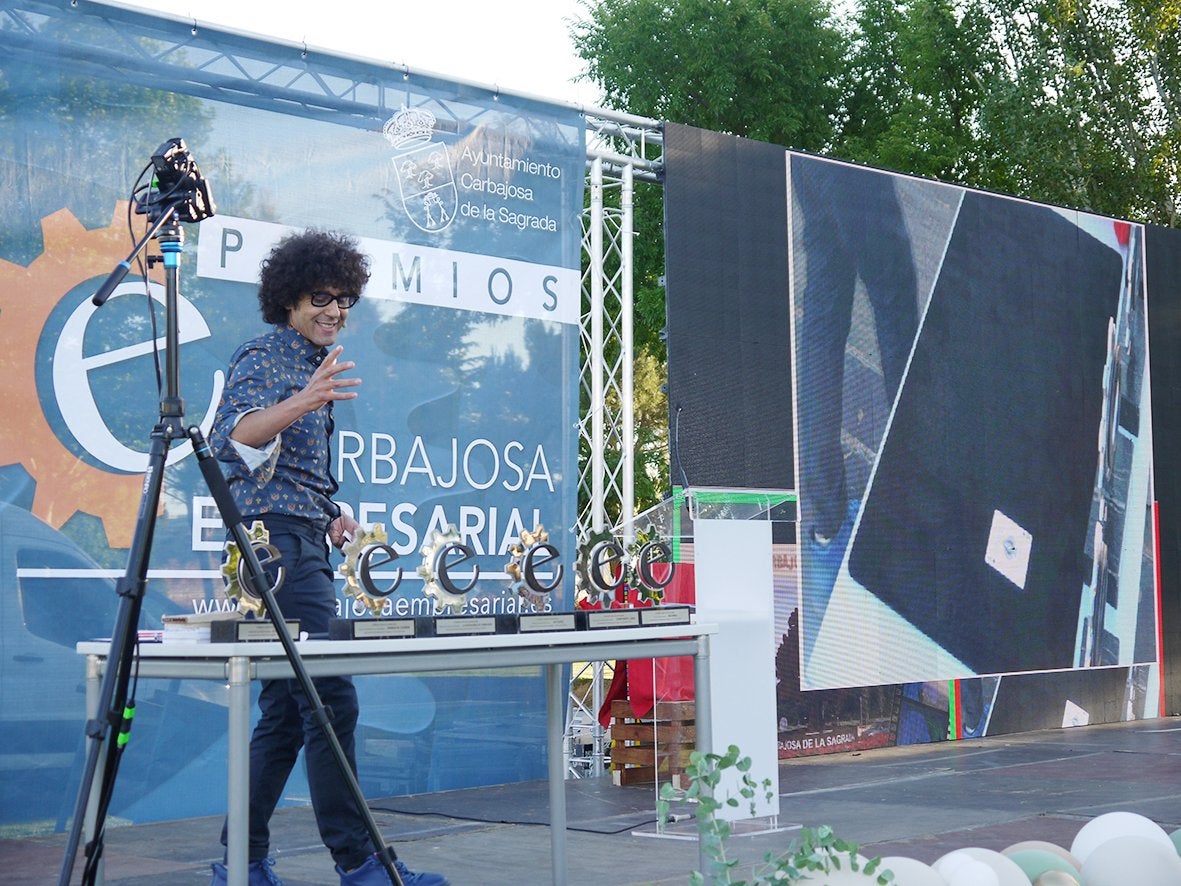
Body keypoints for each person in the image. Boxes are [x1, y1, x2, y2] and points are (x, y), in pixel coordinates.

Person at [209, 229, 449, 886]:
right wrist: (305, 400)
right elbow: (232, 439)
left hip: (298, 537)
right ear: (289, 299)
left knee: (289, 711)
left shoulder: (311, 361)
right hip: (277, 549)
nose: (335, 311)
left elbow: (284, 473)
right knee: (329, 698)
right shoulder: (265, 356)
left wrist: (329, 511)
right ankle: (359, 862)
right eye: (321, 297)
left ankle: (240, 863)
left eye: (344, 300)